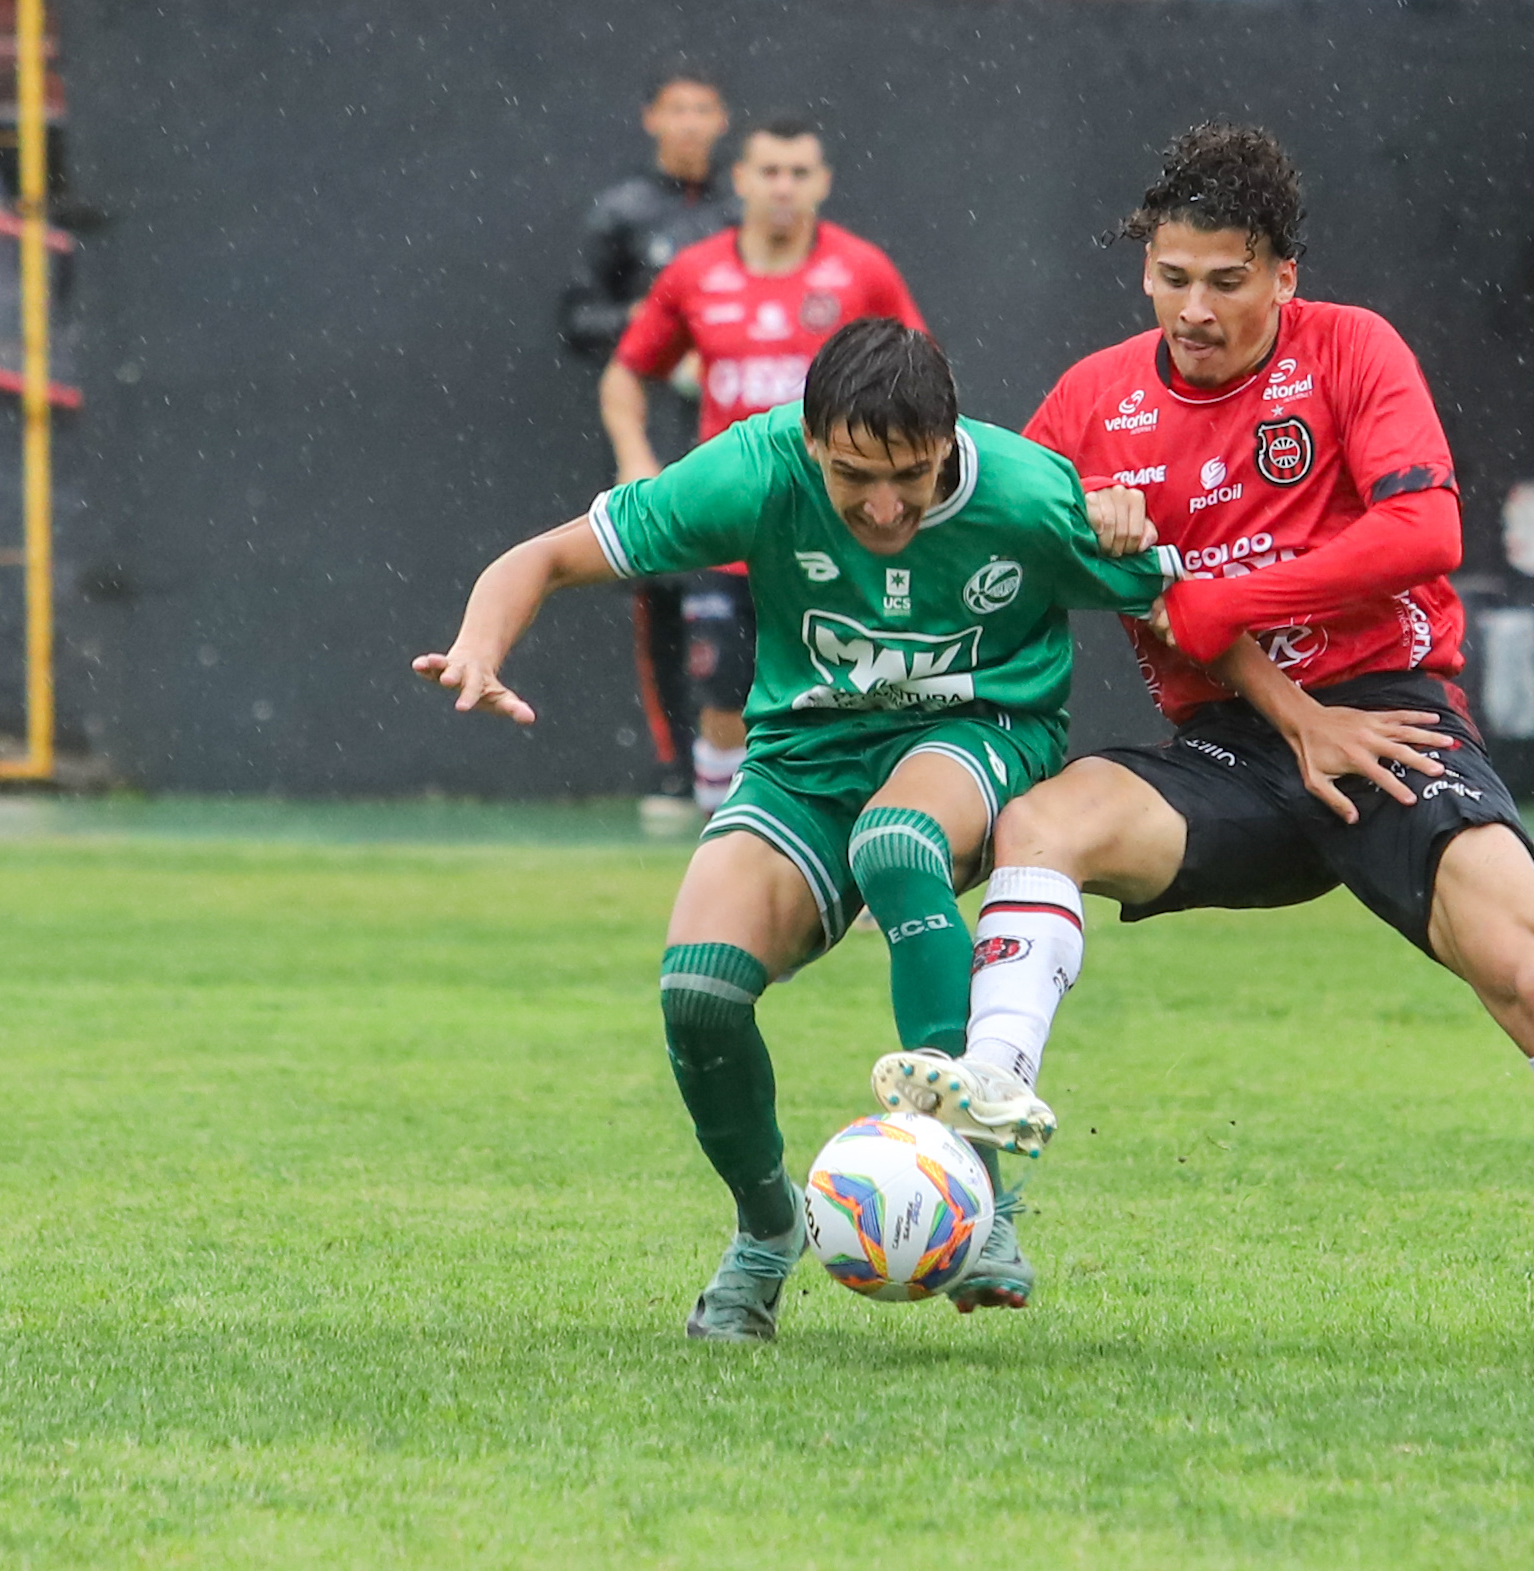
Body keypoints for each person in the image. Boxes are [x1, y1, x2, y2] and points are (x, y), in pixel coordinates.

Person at [872, 124, 1534, 1358]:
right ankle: (992, 1086)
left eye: (1226, 281)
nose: (1195, 308)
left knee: (1525, 967)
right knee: (1052, 820)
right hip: (1227, 750)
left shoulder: (1352, 349)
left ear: (1283, 277)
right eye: (1172, 277)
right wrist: (1087, 512)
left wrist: (1226, 601)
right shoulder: (1091, 401)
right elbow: (1001, 527)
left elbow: (1424, 535)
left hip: (1388, 718)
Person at [415, 320, 1215, 1339]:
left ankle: (981, 1190)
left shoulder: (1023, 493)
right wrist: (478, 648)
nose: (883, 507)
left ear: (950, 444)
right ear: (807, 442)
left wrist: (1133, 532)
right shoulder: (753, 469)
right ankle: (765, 1229)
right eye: (852, 477)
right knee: (696, 992)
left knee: (896, 842)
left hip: (979, 733)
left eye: (912, 478)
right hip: (803, 761)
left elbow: (1191, 603)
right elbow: (544, 556)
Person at [602, 115, 927, 819]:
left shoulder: (862, 271)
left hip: (840, 528)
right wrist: (635, 458)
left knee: (858, 696)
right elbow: (626, 373)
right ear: (741, 179)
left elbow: (920, 378)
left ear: (823, 183)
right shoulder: (694, 273)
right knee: (724, 700)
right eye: (770, 171)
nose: (783, 187)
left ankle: (864, 857)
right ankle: (724, 846)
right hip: (735, 528)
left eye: (799, 172)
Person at [558, 66, 740, 825]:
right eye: (678, 109)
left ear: (723, 119)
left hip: (733, 441)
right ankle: (674, 771)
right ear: (652, 120)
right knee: (661, 599)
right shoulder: (622, 212)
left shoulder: (742, 211)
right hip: (655, 439)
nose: (692, 122)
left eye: (705, 107)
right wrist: (657, 329)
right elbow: (576, 322)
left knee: (749, 600)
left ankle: (745, 768)